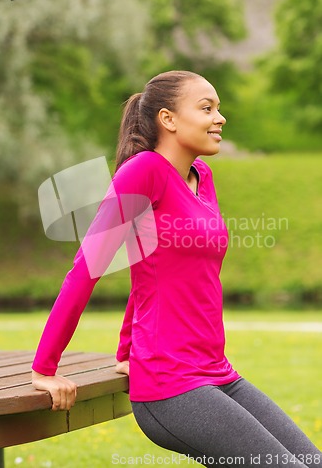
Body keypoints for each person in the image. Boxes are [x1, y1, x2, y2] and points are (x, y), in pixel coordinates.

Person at [32, 71, 321, 467]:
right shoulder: (143, 171)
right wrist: (45, 368)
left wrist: (125, 348)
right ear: (168, 119)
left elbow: (153, 269)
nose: (220, 118)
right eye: (207, 108)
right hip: (171, 389)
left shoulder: (202, 177)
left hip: (219, 374)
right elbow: (86, 269)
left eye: (218, 108)